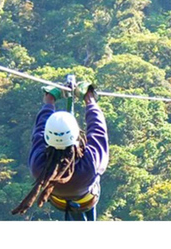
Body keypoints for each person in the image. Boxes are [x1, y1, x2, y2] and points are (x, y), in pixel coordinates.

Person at [11, 83, 109, 221]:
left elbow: (39, 130)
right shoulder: (90, 163)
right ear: (76, 135)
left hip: (59, 201)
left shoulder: (39, 166)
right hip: (87, 199)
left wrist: (49, 100)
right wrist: (90, 100)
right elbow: (98, 130)